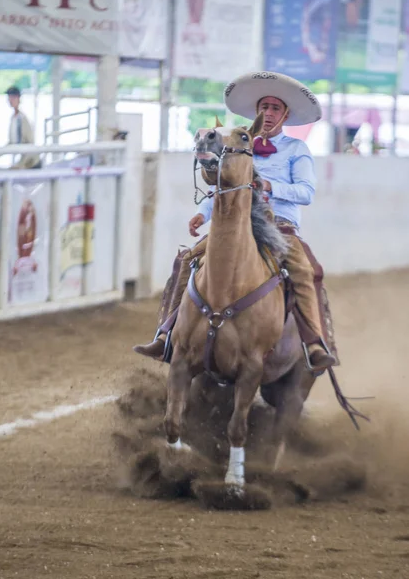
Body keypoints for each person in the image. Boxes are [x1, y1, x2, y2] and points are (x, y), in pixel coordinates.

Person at [134, 71, 336, 373]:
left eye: (275, 108)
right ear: (257, 113)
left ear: (286, 115)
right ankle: (165, 334)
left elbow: (306, 192)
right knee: (186, 260)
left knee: (306, 271)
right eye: (264, 107)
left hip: (279, 227)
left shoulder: (297, 150)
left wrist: (270, 187)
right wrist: (203, 213)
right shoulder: (236, 146)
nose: (268, 114)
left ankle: (315, 343)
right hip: (233, 224)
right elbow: (223, 185)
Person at [6, 86, 40, 170]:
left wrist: (21, 165)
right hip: (23, 159)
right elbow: (12, 142)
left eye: (13, 97)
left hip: (30, 162)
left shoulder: (23, 119)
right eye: (9, 97)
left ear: (18, 99)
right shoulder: (13, 118)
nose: (10, 100)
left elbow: (30, 143)